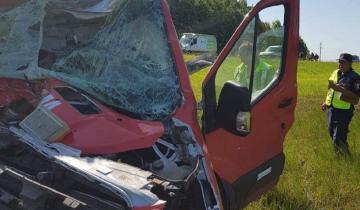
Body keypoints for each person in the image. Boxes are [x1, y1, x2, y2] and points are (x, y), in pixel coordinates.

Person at [321, 53, 360, 156]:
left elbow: (356, 97)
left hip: (344, 111)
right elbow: (331, 90)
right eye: (339, 62)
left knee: (338, 137)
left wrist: (340, 89)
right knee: (331, 131)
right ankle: (343, 154)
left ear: (350, 63)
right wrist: (326, 102)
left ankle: (343, 157)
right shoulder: (335, 72)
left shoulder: (355, 77)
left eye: (343, 62)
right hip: (331, 109)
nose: (340, 64)